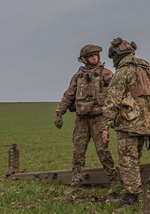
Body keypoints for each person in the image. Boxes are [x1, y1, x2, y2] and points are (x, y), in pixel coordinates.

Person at [54, 44, 120, 195]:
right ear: (84, 59)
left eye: (96, 55)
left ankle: (114, 181)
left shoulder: (105, 73)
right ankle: (75, 184)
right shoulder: (78, 77)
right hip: (81, 120)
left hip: (98, 119)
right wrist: (59, 112)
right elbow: (69, 94)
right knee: (78, 152)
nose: (94, 58)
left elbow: (117, 89)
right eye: (91, 56)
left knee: (103, 151)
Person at [100, 37, 150, 206]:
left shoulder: (123, 72)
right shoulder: (143, 69)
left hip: (129, 123)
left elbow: (112, 101)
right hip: (145, 122)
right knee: (134, 159)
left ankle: (132, 199)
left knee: (127, 162)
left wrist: (105, 127)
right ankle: (132, 193)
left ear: (117, 55)